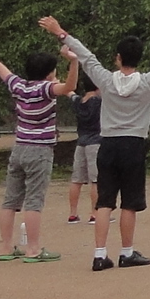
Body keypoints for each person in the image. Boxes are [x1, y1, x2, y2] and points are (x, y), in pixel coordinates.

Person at [42, 14, 150, 270]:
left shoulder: (105, 79)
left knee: (104, 201)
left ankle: (99, 255)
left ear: (118, 58)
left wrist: (60, 32)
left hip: (108, 144)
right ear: (139, 58)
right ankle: (126, 252)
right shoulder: (149, 81)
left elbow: (86, 55)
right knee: (130, 202)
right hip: (133, 145)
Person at [0, 38, 80, 262]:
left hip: (19, 148)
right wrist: (74, 62)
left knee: (10, 200)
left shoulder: (18, 86)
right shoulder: (46, 89)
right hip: (40, 151)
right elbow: (69, 87)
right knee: (34, 201)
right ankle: (33, 249)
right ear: (49, 73)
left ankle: (6, 248)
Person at [66, 82, 102, 223]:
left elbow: (70, 93)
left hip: (81, 143)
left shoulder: (79, 102)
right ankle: (94, 213)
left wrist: (55, 81)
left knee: (76, 180)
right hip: (96, 143)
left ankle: (72, 214)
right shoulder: (99, 101)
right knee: (96, 180)